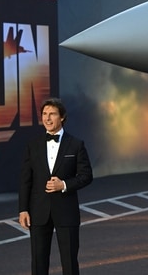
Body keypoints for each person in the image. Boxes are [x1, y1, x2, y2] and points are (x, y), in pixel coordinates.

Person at [19, 98, 93, 275]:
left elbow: (86, 176)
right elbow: (25, 180)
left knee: (69, 263)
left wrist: (64, 184)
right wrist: (23, 210)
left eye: (52, 114)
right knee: (38, 262)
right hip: (38, 211)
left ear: (62, 117)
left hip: (66, 211)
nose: (47, 118)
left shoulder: (76, 144)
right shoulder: (33, 145)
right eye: (44, 114)